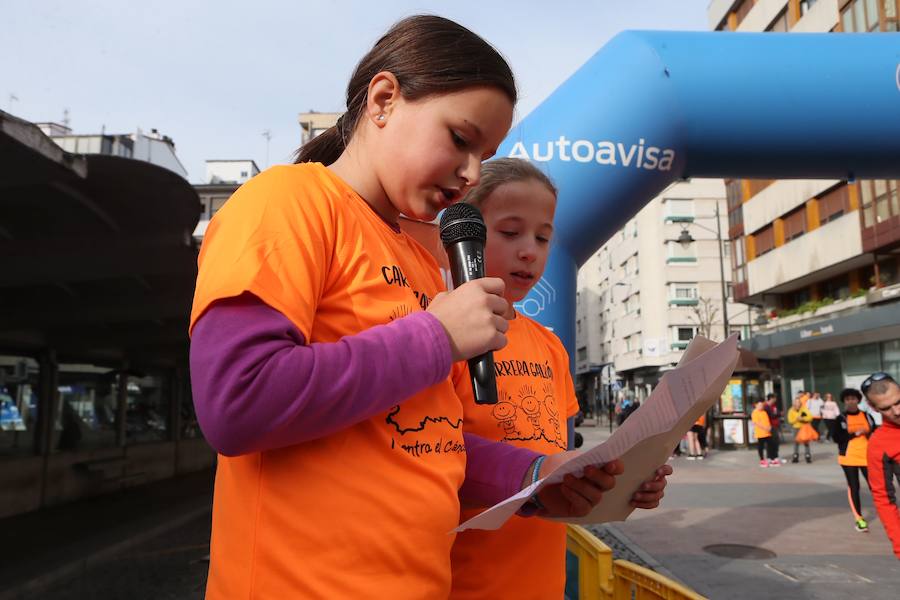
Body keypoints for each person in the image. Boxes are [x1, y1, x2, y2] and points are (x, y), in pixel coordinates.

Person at [188, 16, 648, 598]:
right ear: (383, 99)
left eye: (486, 153)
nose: (472, 173)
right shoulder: (286, 202)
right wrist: (437, 337)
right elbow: (237, 400)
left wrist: (537, 479)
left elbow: (429, 436)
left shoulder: (416, 257)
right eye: (461, 139)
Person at [447, 159, 672, 599]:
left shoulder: (549, 346)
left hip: (544, 584)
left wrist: (621, 483)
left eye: (543, 237)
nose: (530, 250)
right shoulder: (440, 333)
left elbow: (559, 462)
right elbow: (424, 462)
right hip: (461, 585)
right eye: (510, 232)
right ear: (464, 233)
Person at [862, 373, 900, 559]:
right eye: (886, 408)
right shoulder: (878, 444)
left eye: (899, 402)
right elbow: (883, 498)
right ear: (873, 408)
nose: (897, 411)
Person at [832, 388, 876, 532]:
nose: (851, 401)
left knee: (874, 486)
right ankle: (859, 519)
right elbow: (837, 438)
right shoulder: (841, 418)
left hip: (866, 456)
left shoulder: (866, 416)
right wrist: (855, 434)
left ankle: (885, 512)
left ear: (858, 400)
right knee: (854, 487)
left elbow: (875, 433)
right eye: (847, 399)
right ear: (844, 402)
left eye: (853, 398)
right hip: (848, 457)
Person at [788, 396, 817, 463]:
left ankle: (807, 456)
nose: (797, 403)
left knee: (806, 442)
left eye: (798, 402)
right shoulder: (791, 410)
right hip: (796, 428)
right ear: (794, 403)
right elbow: (790, 421)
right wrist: (796, 419)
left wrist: (803, 419)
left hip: (803, 428)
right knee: (796, 442)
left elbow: (810, 417)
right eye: (796, 402)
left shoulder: (804, 409)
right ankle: (795, 456)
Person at [751, 399, 774, 468]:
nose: (761, 406)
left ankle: (770, 458)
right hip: (760, 433)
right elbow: (757, 423)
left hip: (767, 432)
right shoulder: (755, 413)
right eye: (760, 405)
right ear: (756, 405)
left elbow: (767, 421)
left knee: (770, 445)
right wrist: (765, 428)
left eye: (762, 405)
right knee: (761, 446)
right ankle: (762, 460)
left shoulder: (764, 412)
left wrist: (769, 427)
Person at [764, 393, 782, 466]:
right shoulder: (766, 407)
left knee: (776, 441)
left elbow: (778, 413)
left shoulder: (774, 406)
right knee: (771, 442)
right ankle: (770, 457)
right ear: (771, 398)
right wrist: (776, 414)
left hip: (775, 426)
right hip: (770, 426)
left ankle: (775, 457)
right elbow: (770, 415)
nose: (776, 400)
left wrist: (777, 414)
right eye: (774, 398)